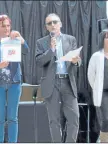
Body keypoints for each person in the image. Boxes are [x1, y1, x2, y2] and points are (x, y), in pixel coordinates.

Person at [35, 13, 81, 143]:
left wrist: (76, 61)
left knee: (74, 118)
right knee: (54, 120)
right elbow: (39, 62)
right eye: (49, 23)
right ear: (46, 27)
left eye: (55, 22)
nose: (53, 25)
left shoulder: (70, 39)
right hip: (51, 83)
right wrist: (51, 50)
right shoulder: (41, 42)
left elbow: (77, 60)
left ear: (60, 24)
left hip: (67, 81)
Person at [0, 14, 29, 143]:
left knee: (12, 118)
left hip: (14, 83)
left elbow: (26, 51)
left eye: (8, 25)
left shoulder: (14, 39)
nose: (6, 28)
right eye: (3, 26)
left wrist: (21, 39)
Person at [88, 29, 108, 143]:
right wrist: (97, 88)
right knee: (107, 119)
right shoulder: (96, 56)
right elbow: (91, 75)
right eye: (107, 37)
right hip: (104, 92)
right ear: (102, 40)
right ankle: (104, 141)